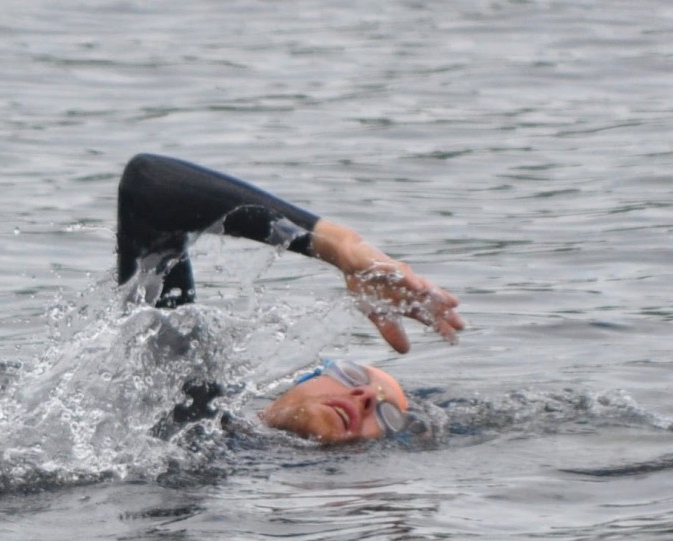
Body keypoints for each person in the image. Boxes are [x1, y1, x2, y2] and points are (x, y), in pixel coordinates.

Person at [117, 153, 465, 444]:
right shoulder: (191, 416)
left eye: (386, 415)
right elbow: (147, 187)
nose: (367, 397)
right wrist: (340, 246)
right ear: (304, 379)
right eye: (351, 375)